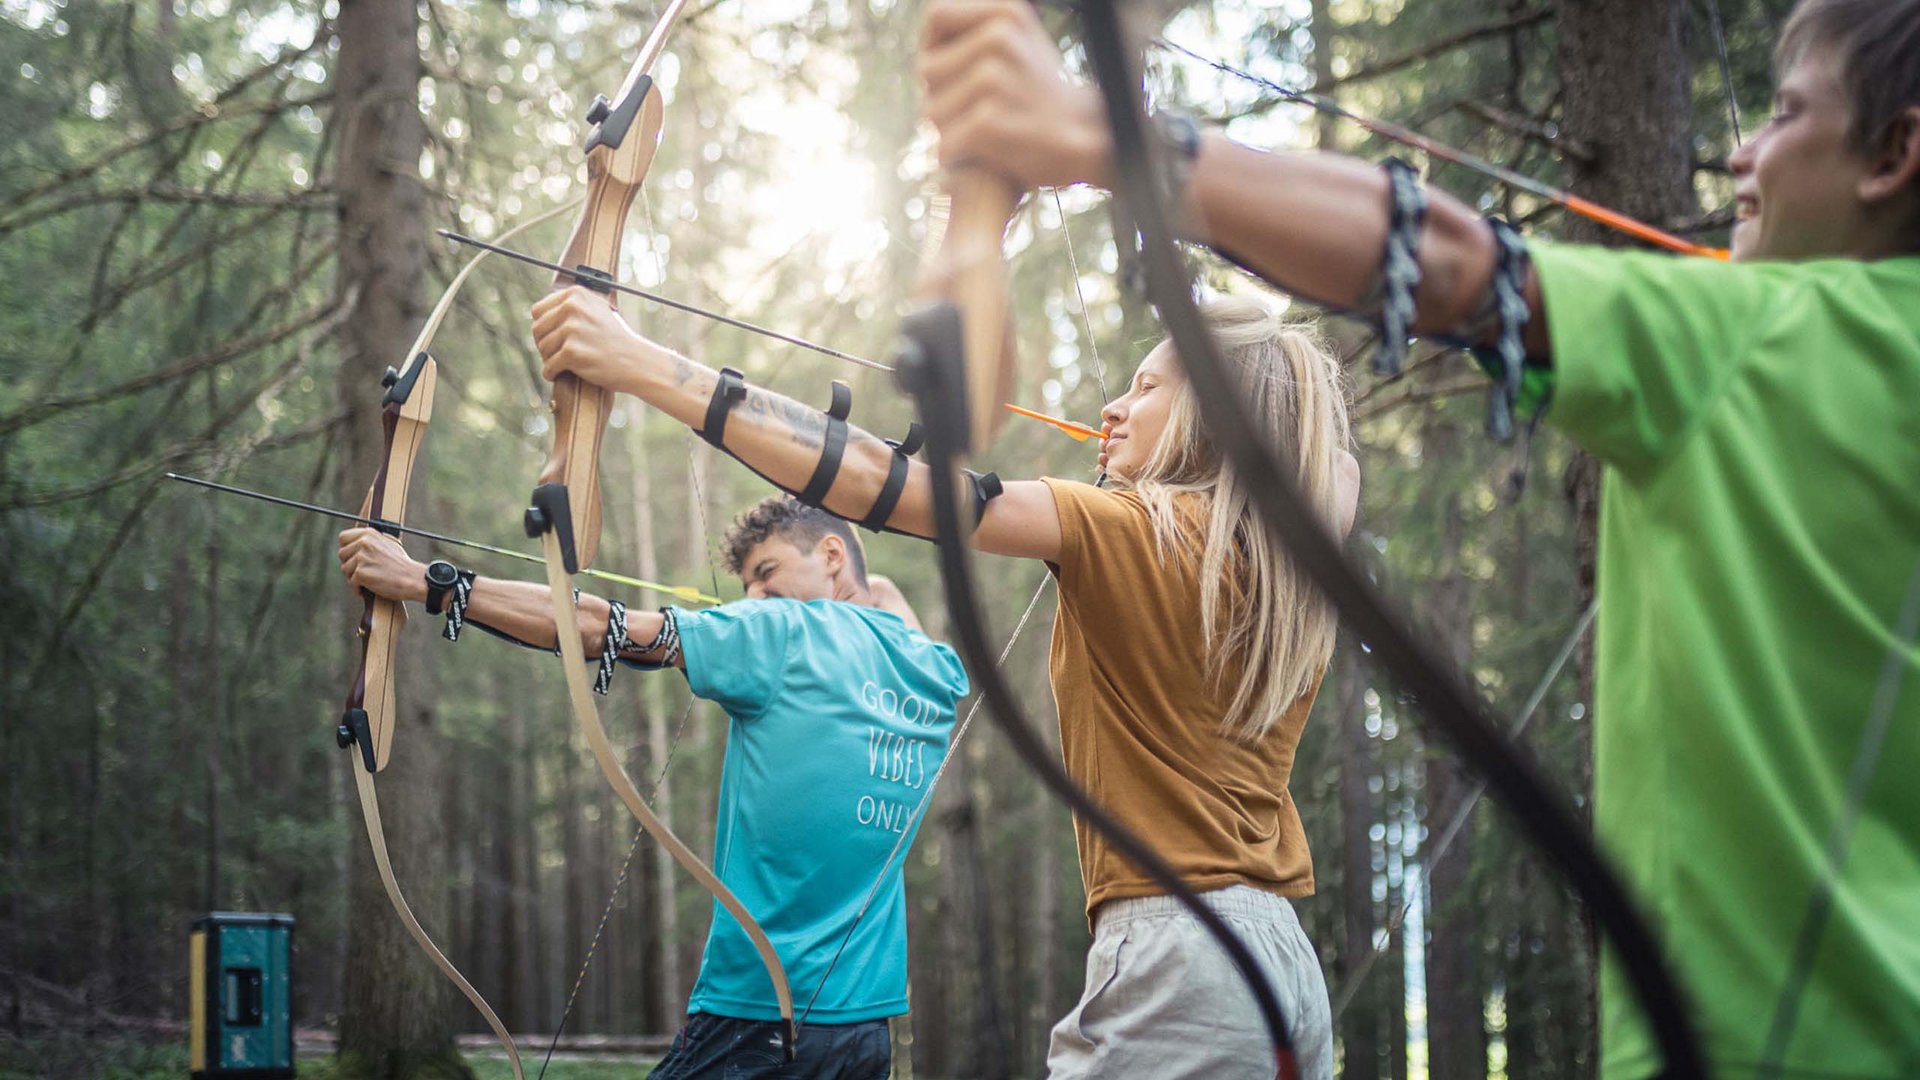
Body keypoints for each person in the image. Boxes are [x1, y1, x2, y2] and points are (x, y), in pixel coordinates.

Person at [912, 0, 1920, 1076]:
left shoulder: (1765, 335)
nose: (1741, 149)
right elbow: (1330, 475)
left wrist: (1089, 131)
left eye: (1784, 113)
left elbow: (1439, 258)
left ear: (1896, 151)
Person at [528, 278, 1361, 1076]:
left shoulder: (1129, 529)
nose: (1112, 407)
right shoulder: (1294, 571)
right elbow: (1334, 476)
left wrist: (634, 361)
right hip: (1281, 960)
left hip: (1180, 962)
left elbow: (866, 482)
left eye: (1145, 388)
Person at [338, 494, 969, 1080]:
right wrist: (853, 581)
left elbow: (594, 625)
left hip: (758, 1012)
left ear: (831, 554)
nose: (754, 595)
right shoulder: (935, 672)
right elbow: (883, 592)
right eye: (748, 583)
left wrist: (429, 584)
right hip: (865, 1033)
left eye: (767, 571)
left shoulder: (784, 633)